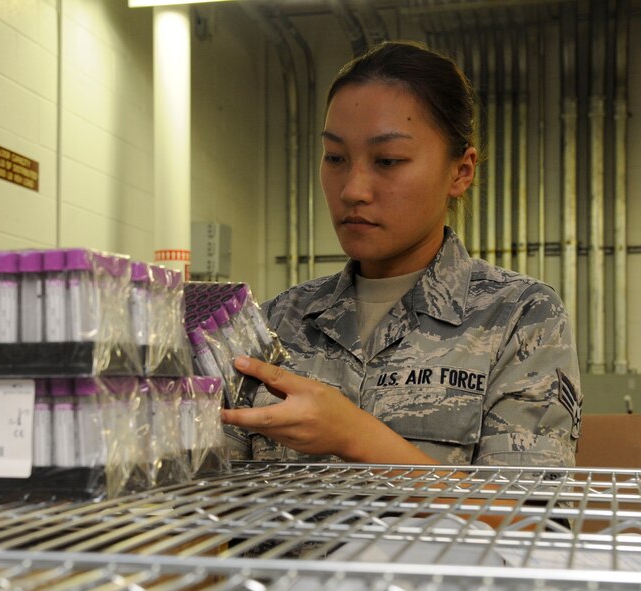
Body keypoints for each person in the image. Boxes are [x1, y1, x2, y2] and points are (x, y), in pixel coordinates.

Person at [222, 41, 582, 468]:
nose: (353, 189)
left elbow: (527, 522)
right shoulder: (278, 322)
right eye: (335, 157)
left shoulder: (519, 317)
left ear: (460, 172)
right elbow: (202, 498)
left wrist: (354, 435)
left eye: (388, 161)